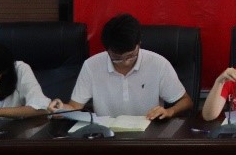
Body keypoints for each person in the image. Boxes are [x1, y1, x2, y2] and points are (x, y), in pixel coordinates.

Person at [48, 13, 193, 119]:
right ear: (107, 50)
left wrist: (169, 111)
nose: (126, 62)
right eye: (117, 58)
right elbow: (74, 107)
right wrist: (60, 108)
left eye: (131, 55)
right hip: (106, 137)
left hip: (148, 135)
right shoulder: (91, 66)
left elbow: (186, 101)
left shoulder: (158, 64)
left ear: (139, 43)